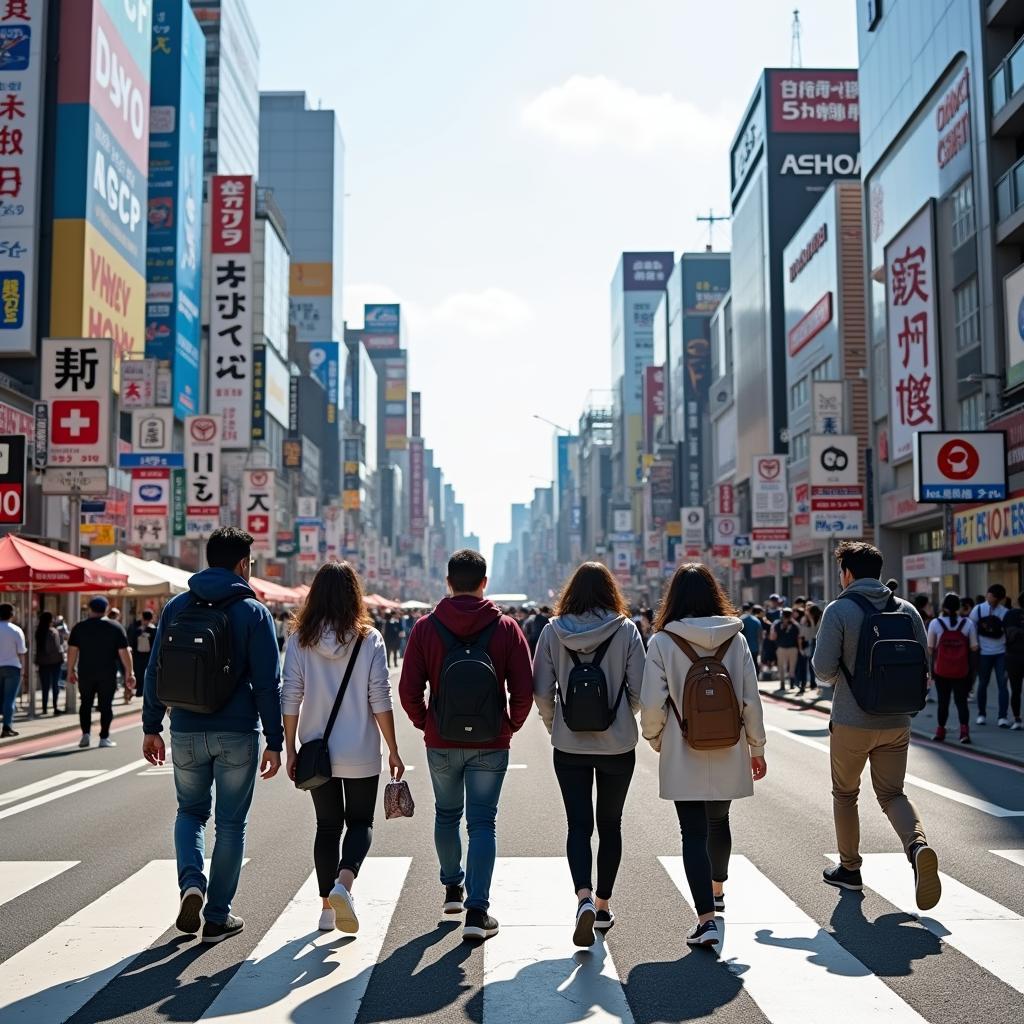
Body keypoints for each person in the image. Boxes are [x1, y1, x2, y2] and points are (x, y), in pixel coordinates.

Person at [142, 527, 283, 944]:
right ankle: (217, 916)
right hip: (238, 731)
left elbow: (155, 671)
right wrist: (275, 741)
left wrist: (152, 727)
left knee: (189, 813)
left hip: (184, 728)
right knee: (231, 825)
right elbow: (267, 683)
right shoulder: (254, 613)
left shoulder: (176, 605)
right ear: (243, 564)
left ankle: (191, 884)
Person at [399, 549, 533, 942]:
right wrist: (510, 725)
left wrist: (427, 723)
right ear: (484, 582)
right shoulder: (507, 628)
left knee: (446, 815)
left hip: (441, 739)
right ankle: (478, 911)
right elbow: (523, 690)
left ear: (447, 582)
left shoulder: (426, 627)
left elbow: (409, 690)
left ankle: (452, 889)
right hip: (492, 741)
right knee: (482, 822)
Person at [640, 563, 767, 947]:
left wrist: (656, 739)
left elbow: (651, 704)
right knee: (720, 820)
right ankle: (718, 890)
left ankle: (705, 919)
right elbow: (751, 699)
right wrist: (756, 748)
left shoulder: (663, 642)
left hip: (683, 744)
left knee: (692, 832)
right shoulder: (736, 638)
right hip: (729, 744)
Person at [812, 541, 939, 911]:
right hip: (898, 719)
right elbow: (922, 664)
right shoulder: (908, 609)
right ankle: (916, 846)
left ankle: (850, 869)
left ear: (847, 573)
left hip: (853, 720)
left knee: (845, 794)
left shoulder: (839, 610)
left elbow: (822, 671)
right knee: (893, 794)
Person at [283, 561, 404, 934]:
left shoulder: (300, 638)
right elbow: (379, 697)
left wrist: (290, 749)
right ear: (355, 595)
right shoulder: (369, 638)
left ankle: (325, 909)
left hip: (317, 748)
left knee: (326, 826)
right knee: (361, 822)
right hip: (360, 749)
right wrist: (394, 749)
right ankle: (344, 884)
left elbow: (290, 696)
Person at [532, 561, 645, 946]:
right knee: (610, 825)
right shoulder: (625, 629)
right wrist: (621, 717)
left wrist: (555, 724)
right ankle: (602, 904)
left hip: (569, 745)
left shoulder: (552, 631)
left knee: (578, 826)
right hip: (617, 745)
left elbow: (541, 690)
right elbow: (640, 689)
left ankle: (581, 896)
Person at [67, 596, 134, 748]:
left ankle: (85, 734)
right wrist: (130, 672)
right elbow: (124, 652)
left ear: (89, 609)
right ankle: (104, 737)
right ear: (106, 609)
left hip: (85, 672)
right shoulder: (115, 627)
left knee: (85, 704)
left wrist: (70, 670)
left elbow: (72, 651)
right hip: (107, 673)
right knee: (106, 705)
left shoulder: (79, 627)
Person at [927, 592, 979, 745]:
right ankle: (964, 732)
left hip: (942, 670)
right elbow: (974, 647)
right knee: (961, 702)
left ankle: (940, 731)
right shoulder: (967, 624)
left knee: (943, 702)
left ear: (943, 606)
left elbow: (930, 649)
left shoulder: (936, 623)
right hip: (962, 670)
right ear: (959, 607)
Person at [970, 584, 1010, 727]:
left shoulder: (1005, 612)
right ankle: (981, 714)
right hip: (983, 652)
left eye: (994, 598)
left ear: (1000, 599)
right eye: (990, 596)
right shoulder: (978, 609)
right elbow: (972, 628)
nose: (991, 599)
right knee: (983, 684)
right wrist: (975, 647)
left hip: (1001, 652)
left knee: (1002, 685)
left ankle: (1003, 716)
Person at [0, 603, 27, 738]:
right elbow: (21, 652)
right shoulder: (16, 630)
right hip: (12, 666)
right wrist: (23, 669)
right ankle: (7, 726)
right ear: (12, 614)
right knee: (9, 699)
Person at [35, 611, 64, 716]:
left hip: (42, 662)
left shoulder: (38, 632)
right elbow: (56, 647)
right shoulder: (53, 631)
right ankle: (55, 707)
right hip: (54, 662)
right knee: (55, 685)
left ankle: (44, 708)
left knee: (45, 687)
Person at [1002, 591, 1024, 731]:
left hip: (1013, 657)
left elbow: (1006, 635)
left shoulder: (1010, 615)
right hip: (1014, 656)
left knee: (1015, 690)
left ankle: (1017, 719)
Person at [129, 610, 158, 694]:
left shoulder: (135, 627)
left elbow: (130, 639)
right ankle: (141, 689)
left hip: (139, 655)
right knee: (143, 672)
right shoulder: (154, 629)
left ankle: (140, 689)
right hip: (147, 655)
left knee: (139, 671)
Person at [772, 608, 800, 690]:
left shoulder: (777, 624)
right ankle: (791, 684)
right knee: (792, 667)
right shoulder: (795, 625)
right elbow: (799, 637)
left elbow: (773, 637)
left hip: (781, 648)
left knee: (781, 667)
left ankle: (782, 684)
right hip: (793, 648)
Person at [740, 603, 763, 669]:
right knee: (755, 664)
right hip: (754, 647)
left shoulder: (740, 620)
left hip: (743, 648)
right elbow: (760, 636)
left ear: (742, 610)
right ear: (750, 609)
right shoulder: (756, 620)